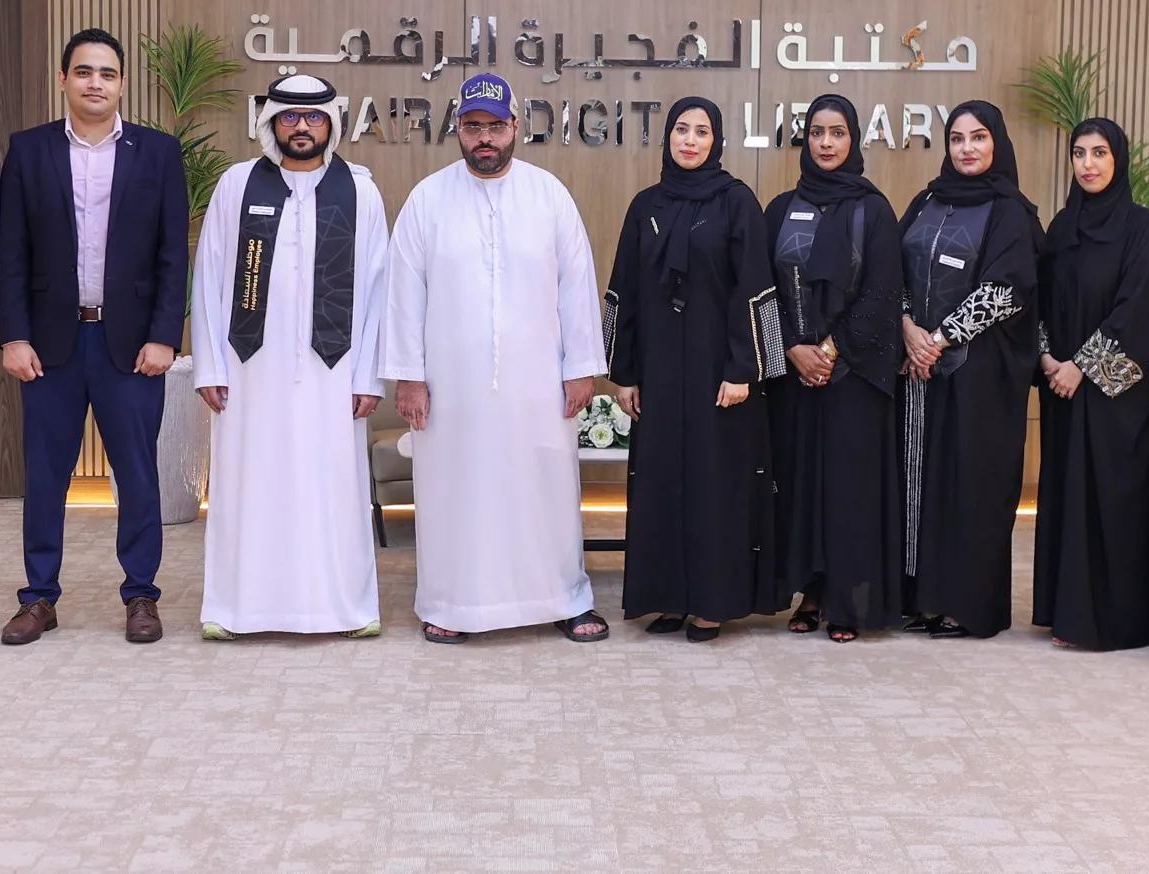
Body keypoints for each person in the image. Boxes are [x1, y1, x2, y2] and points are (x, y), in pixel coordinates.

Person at [382, 73, 609, 645]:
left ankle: (563, 598)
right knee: (454, 490)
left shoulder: (549, 195)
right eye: (472, 126)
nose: (484, 137)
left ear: (516, 127)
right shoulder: (427, 200)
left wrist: (581, 368)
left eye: (495, 126)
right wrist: (409, 378)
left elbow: (576, 287)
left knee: (545, 490)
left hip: (539, 385)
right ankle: (451, 603)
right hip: (451, 388)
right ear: (458, 130)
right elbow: (403, 295)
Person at [0, 28, 189, 645]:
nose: (95, 83)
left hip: (130, 346)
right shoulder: (30, 150)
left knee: (137, 475)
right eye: (83, 72)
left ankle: (141, 595)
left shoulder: (157, 152)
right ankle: (38, 597)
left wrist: (165, 336)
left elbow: (172, 254)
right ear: (63, 80)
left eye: (107, 73)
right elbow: (11, 252)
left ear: (122, 83)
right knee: (45, 477)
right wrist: (13, 335)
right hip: (49, 345)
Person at [191, 75, 388, 640]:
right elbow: (209, 274)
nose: (302, 127)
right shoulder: (236, 185)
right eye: (290, 116)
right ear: (271, 123)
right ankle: (236, 610)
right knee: (250, 486)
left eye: (314, 117)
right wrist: (210, 365)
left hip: (336, 373)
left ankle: (344, 609)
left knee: (333, 488)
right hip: (248, 371)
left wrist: (369, 375)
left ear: (332, 124)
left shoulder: (361, 192)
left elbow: (379, 288)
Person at [604, 97, 779, 643]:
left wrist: (744, 369)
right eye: (682, 129)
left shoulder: (736, 202)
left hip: (717, 372)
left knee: (713, 485)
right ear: (667, 137)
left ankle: (711, 603)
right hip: (658, 372)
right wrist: (623, 372)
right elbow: (624, 289)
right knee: (661, 482)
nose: (690, 140)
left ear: (716, 140)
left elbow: (756, 289)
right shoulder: (645, 205)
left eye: (702, 132)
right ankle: (668, 597)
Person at [898, 100, 1042, 640]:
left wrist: (938, 339)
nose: (966, 149)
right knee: (920, 481)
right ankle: (922, 598)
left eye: (978, 137)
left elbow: (1007, 289)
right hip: (918, 370)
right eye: (957, 139)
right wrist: (907, 328)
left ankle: (966, 605)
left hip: (981, 376)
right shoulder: (926, 200)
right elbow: (891, 268)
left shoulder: (1011, 211)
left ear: (996, 142)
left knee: (971, 485)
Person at [764, 94, 904, 643]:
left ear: (853, 139)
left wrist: (829, 350)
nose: (826, 143)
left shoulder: (875, 210)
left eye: (838, 132)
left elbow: (883, 293)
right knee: (800, 485)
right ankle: (811, 593)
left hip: (854, 375)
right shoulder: (780, 208)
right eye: (818, 132)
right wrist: (792, 349)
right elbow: (762, 290)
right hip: (794, 378)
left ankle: (848, 601)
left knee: (849, 489)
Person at [1033, 118, 1149, 652]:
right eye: (1079, 153)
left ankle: (1114, 621)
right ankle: (1065, 613)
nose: (1087, 164)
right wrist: (1047, 357)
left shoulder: (1141, 228)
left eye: (1100, 153)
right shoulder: (1063, 226)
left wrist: (1082, 368)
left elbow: (1141, 311)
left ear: (1119, 159)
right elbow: (1039, 298)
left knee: (1110, 501)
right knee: (1067, 497)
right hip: (1062, 391)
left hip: (1116, 399)